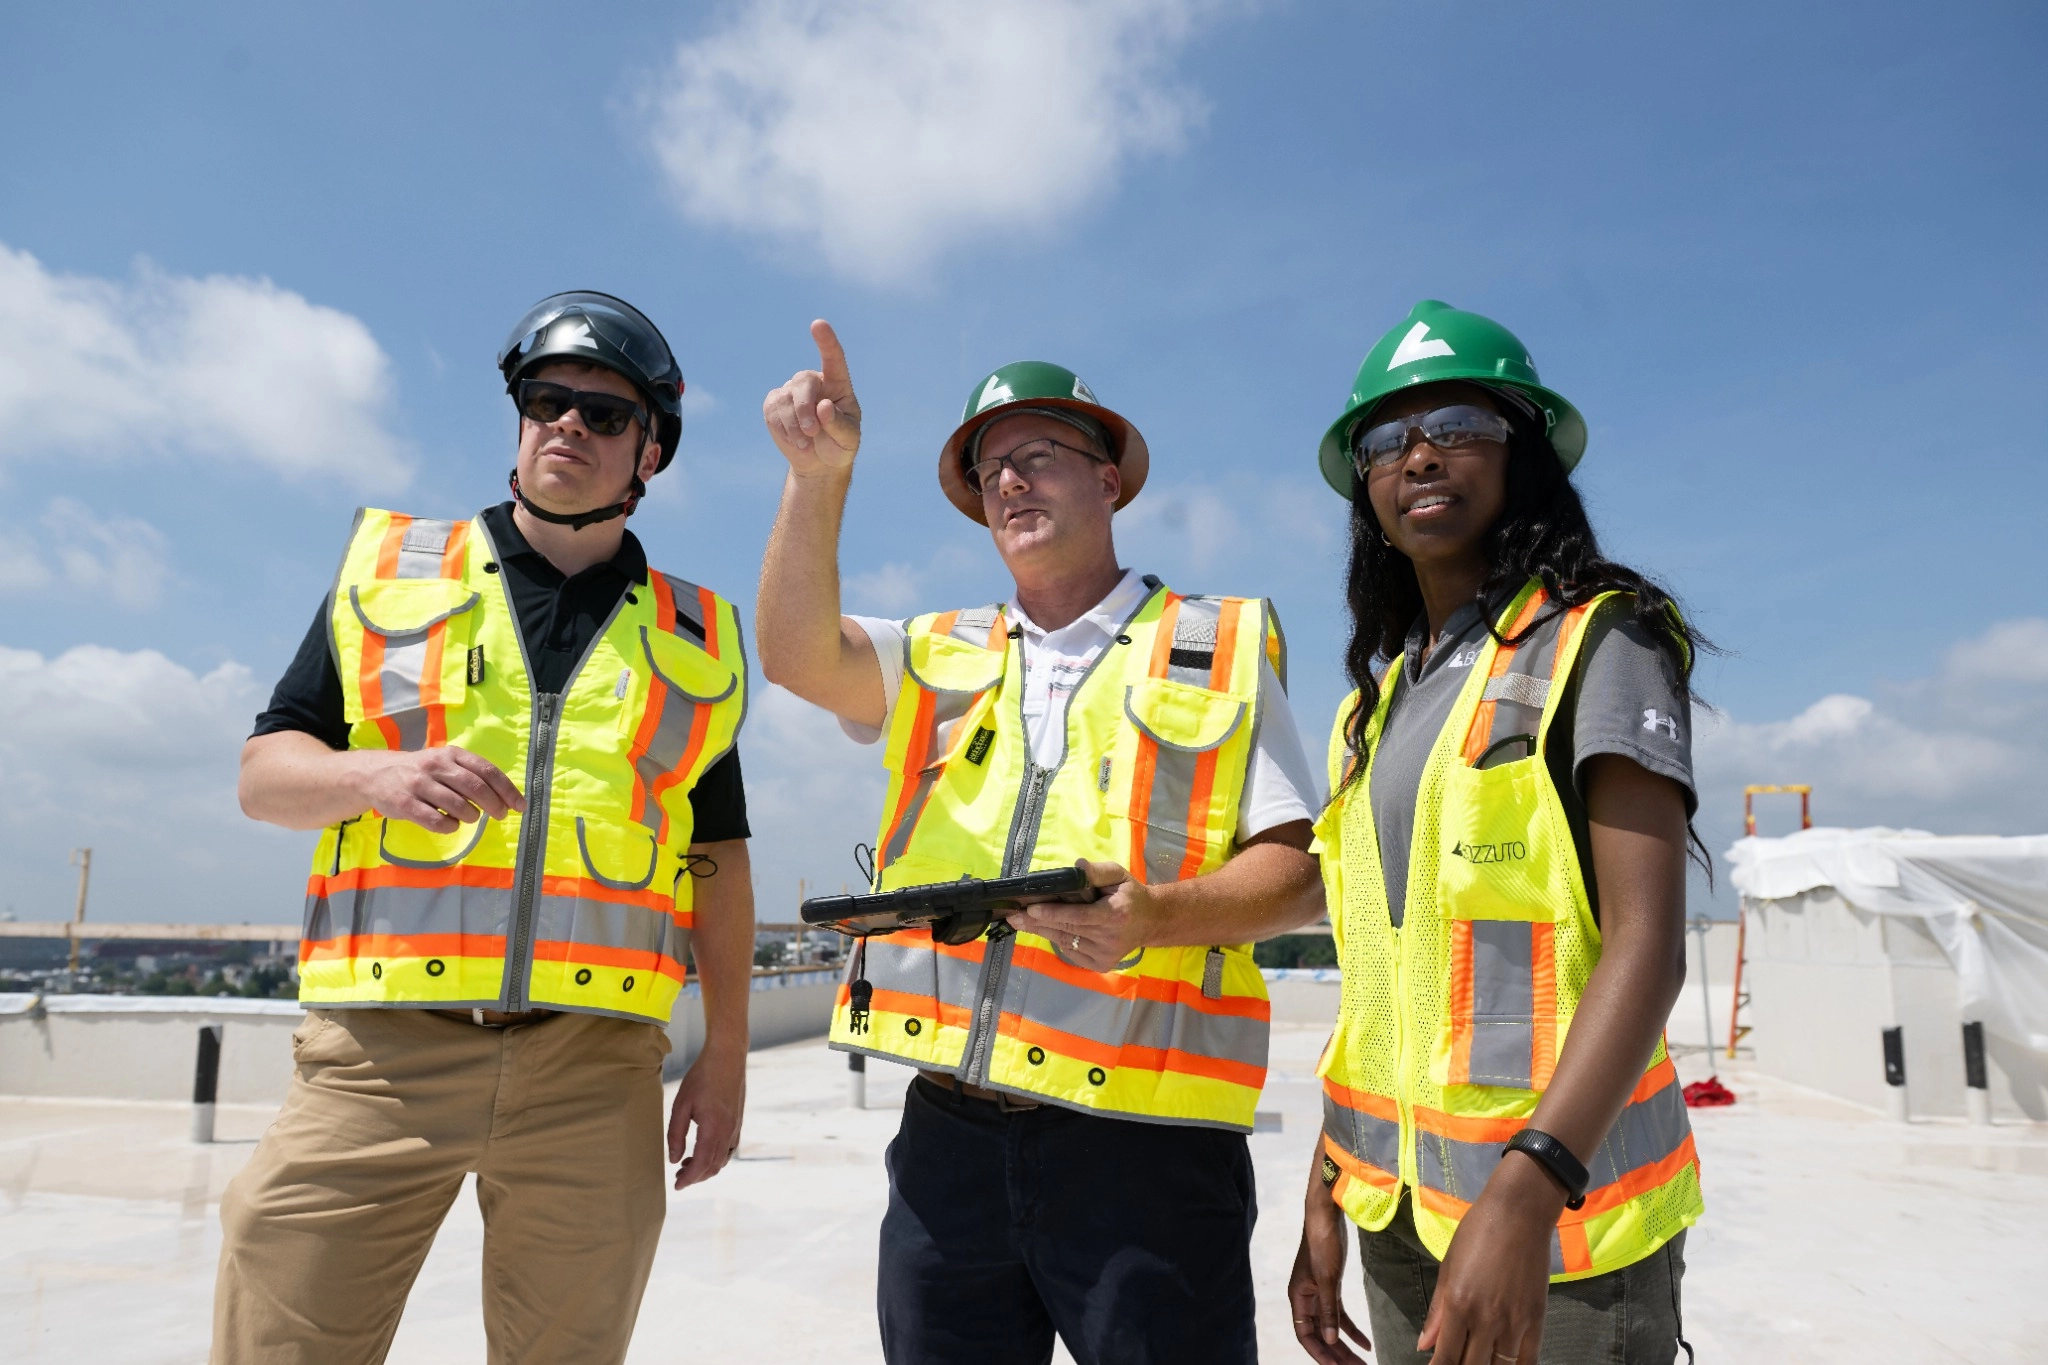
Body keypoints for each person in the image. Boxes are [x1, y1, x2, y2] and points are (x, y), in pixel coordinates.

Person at [756, 322, 1325, 1364]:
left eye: (1036, 456)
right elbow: (793, 653)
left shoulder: (1217, 647)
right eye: (988, 470)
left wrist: (1155, 918)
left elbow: (1297, 880)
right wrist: (816, 478)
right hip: (950, 1144)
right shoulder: (937, 653)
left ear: (1108, 480)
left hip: (1145, 1146)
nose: (1007, 483)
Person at [215, 291, 754, 1364]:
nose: (568, 426)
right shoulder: (395, 576)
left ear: (652, 452)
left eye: (605, 416)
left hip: (593, 1070)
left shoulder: (695, 638)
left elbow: (717, 858)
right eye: (547, 400)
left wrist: (725, 1053)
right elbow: (265, 779)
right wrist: (375, 773)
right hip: (378, 1058)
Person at [1289, 301, 1704, 1365]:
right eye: (1385, 441)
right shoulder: (1374, 710)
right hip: (1398, 1227)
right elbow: (1383, 987)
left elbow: (1646, 948)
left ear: (1521, 456)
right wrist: (1328, 1177)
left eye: (1457, 425)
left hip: (1560, 1234)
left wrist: (1526, 1194)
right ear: (1365, 492)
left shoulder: (1596, 642)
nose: (1418, 455)